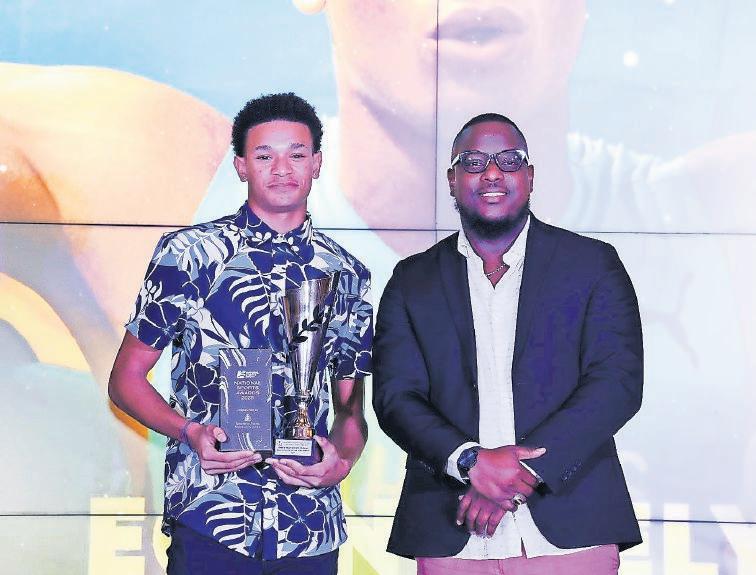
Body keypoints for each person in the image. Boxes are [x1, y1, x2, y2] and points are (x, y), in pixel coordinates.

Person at [109, 92, 373, 574]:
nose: (282, 169)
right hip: (212, 515)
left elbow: (350, 407)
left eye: (296, 154)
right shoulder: (189, 255)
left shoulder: (347, 273)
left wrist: (342, 459)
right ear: (240, 166)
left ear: (316, 164)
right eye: (264, 155)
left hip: (308, 525)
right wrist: (189, 432)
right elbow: (125, 379)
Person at [372, 113, 643, 574]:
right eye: (474, 162)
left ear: (530, 176)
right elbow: (396, 397)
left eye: (509, 160)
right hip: (451, 532)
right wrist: (470, 463)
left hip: (572, 531)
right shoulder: (411, 280)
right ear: (452, 180)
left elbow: (617, 382)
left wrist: (519, 475)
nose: (492, 173)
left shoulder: (592, 264)